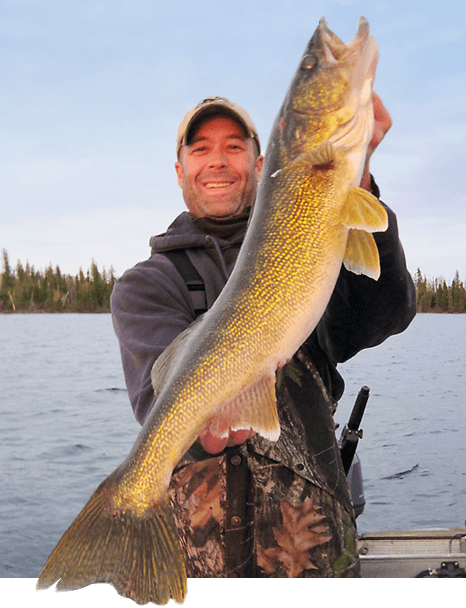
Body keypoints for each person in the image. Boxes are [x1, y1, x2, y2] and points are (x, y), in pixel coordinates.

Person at [110, 96, 416, 578]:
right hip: (200, 563)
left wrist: (354, 177)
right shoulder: (145, 286)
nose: (217, 160)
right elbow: (157, 402)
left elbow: (382, 315)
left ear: (258, 163)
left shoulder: (308, 241)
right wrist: (207, 433)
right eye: (200, 148)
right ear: (179, 169)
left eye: (233, 146)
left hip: (319, 554)